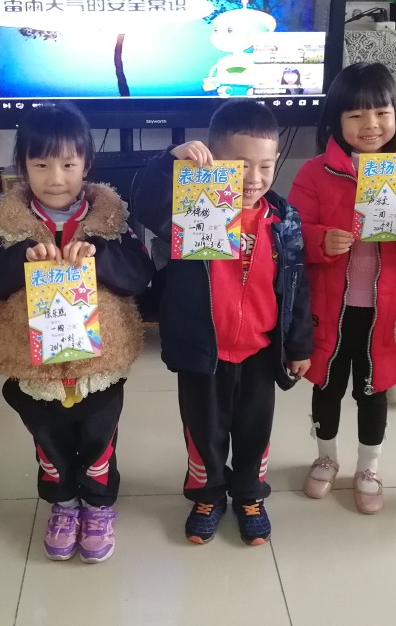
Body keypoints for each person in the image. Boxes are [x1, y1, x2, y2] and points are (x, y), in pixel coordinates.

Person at [0, 103, 152, 564]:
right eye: (41, 165)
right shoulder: (5, 225)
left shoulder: (111, 220)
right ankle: (63, 504)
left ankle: (98, 506)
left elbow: (140, 275)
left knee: (99, 437)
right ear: (22, 166)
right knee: (48, 440)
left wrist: (101, 257)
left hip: (100, 364)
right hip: (35, 367)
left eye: (68, 165)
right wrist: (20, 260)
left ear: (86, 165)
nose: (55, 178)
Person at [133, 99, 313, 546]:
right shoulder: (194, 208)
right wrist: (170, 160)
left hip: (260, 351)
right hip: (203, 350)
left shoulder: (283, 220)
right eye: (240, 165)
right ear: (213, 158)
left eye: (265, 166)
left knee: (255, 429)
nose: (253, 178)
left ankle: (250, 494)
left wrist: (299, 345)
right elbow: (145, 203)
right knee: (204, 430)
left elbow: (296, 286)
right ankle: (207, 494)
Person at [289, 62, 396, 513]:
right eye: (355, 115)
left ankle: (369, 466)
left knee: (375, 389)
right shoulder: (315, 172)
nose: (371, 124)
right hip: (330, 308)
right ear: (335, 122)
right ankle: (326, 457)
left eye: (381, 112)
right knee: (327, 385)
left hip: (386, 308)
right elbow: (293, 231)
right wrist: (321, 239)